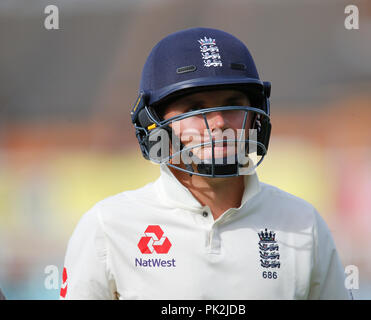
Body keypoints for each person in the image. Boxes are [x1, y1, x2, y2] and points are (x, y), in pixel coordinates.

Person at [61, 27, 352, 299]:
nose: (219, 123)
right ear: (155, 124)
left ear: (256, 116)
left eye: (233, 102)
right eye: (195, 108)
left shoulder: (303, 223)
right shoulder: (109, 226)